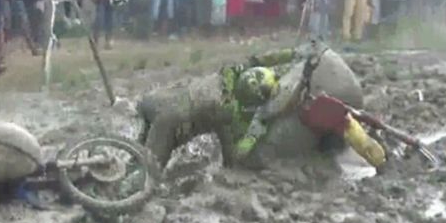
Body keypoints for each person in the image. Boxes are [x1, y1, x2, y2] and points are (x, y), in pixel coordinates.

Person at [137, 44, 386, 173]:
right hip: (176, 117)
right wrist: (254, 131)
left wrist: (293, 54)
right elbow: (237, 153)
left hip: (166, 106)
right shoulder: (234, 110)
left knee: (151, 146)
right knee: (152, 166)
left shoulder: (231, 74)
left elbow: (258, 60)